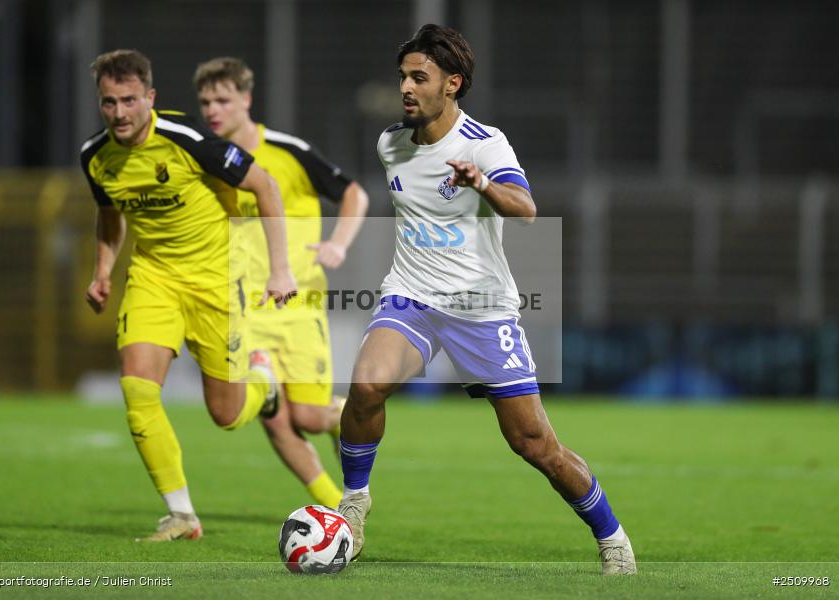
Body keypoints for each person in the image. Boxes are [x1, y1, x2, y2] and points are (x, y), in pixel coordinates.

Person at [336, 25, 637, 575]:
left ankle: (612, 535)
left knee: (534, 444)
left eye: (418, 77)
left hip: (481, 308)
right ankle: (353, 504)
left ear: (452, 83)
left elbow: (524, 209)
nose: (405, 86)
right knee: (365, 386)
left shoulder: (483, 142)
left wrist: (481, 184)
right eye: (402, 75)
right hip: (412, 296)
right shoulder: (391, 143)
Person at [80, 49, 297, 542]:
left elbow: (264, 185)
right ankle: (181, 514)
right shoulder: (95, 157)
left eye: (129, 100)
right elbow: (110, 213)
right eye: (109, 102)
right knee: (137, 389)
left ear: (150, 98)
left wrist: (279, 270)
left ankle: (263, 385)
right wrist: (103, 271)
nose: (119, 113)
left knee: (224, 415)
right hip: (153, 278)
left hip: (216, 281)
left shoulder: (192, 141)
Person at [193, 57, 369, 509]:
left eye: (223, 99)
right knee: (274, 418)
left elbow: (354, 193)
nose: (213, 109)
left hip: (297, 303)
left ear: (246, 100)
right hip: (242, 307)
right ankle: (340, 510)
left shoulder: (287, 151)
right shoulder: (206, 158)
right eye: (206, 101)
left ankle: (338, 417)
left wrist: (339, 243)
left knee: (308, 417)